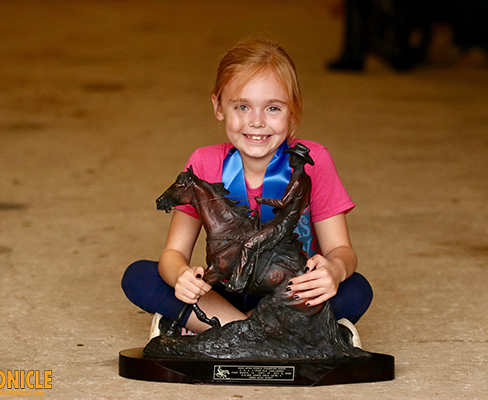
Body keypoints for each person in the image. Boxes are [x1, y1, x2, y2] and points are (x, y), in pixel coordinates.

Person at [122, 39, 373, 344]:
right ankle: (280, 334)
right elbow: (173, 255)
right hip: (228, 292)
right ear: (218, 107)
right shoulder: (204, 162)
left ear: (293, 112)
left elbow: (341, 251)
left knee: (356, 289)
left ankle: (215, 331)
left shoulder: (312, 161)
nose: (256, 122)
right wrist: (181, 277)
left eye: (273, 108)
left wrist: (334, 270)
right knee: (140, 276)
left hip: (291, 291)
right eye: (242, 106)